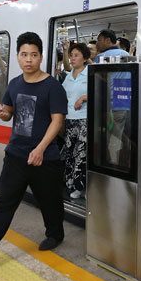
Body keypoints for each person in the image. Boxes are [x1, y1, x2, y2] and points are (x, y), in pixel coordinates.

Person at [0, 32, 67, 269]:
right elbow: (9, 113)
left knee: (50, 201)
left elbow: (57, 121)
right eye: (23, 54)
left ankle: (55, 234)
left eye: (33, 54)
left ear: (41, 57)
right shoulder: (14, 84)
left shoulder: (52, 87)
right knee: (4, 204)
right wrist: (1, 113)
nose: (28, 59)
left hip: (45, 158)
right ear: (17, 57)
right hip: (16, 155)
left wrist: (41, 148)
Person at [95, 29, 131, 164]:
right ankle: (122, 163)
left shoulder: (101, 57)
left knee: (109, 136)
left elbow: (99, 81)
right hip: (125, 102)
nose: (97, 44)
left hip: (109, 105)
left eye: (99, 40)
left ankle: (111, 166)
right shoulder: (126, 54)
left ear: (107, 40)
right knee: (121, 134)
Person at [61, 42, 90, 199]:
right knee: (70, 153)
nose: (72, 58)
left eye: (76, 55)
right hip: (70, 120)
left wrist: (84, 97)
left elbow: (100, 93)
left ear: (85, 58)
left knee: (81, 154)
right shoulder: (68, 77)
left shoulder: (89, 74)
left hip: (84, 120)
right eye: (71, 55)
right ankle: (70, 184)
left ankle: (81, 188)